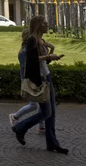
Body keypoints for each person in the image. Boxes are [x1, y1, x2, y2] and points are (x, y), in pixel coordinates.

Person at [11, 15, 68, 155]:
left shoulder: (40, 41)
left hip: (46, 76)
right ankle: (20, 128)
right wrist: (49, 56)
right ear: (37, 25)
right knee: (46, 112)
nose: (47, 24)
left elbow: (43, 62)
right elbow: (31, 59)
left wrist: (52, 53)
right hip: (40, 79)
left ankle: (52, 143)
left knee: (52, 113)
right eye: (44, 23)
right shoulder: (32, 40)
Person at [9, 28, 46, 134]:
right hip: (30, 79)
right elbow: (32, 63)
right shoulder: (26, 51)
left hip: (31, 78)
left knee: (40, 103)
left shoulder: (24, 50)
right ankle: (15, 116)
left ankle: (42, 126)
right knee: (35, 104)